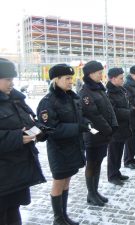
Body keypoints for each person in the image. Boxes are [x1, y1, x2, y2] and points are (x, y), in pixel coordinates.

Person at [37, 63, 87, 225]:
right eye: (67, 78)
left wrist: (85, 123)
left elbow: (78, 117)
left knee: (67, 180)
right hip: (59, 150)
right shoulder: (48, 101)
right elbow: (51, 128)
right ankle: (58, 218)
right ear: (56, 80)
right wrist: (77, 127)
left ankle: (64, 216)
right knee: (59, 182)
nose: (71, 81)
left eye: (71, 78)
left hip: (73, 147)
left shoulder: (71, 97)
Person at [0, 58, 46, 225]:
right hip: (3, 174)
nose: (11, 83)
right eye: (7, 79)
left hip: (16, 171)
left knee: (13, 213)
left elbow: (29, 121)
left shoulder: (16, 99)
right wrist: (16, 138)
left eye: (12, 79)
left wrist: (39, 130)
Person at [79, 61, 118, 206]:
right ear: (90, 74)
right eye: (99, 72)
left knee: (99, 162)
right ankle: (91, 193)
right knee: (92, 164)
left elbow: (109, 109)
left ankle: (95, 191)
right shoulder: (85, 92)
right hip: (93, 134)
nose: (101, 75)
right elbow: (93, 115)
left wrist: (113, 124)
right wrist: (108, 128)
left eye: (101, 72)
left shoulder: (99, 88)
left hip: (104, 133)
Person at [106, 67, 131, 185]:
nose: (123, 80)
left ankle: (117, 172)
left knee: (119, 151)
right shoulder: (109, 93)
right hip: (115, 128)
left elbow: (126, 104)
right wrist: (129, 112)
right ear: (113, 79)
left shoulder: (121, 90)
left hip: (123, 126)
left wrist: (130, 110)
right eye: (121, 78)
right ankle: (112, 175)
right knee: (113, 152)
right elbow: (113, 110)